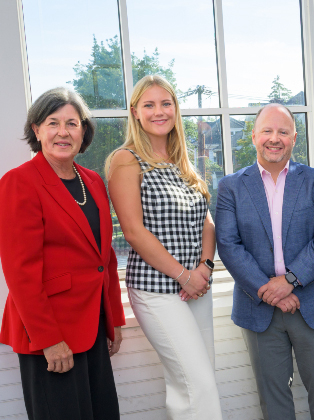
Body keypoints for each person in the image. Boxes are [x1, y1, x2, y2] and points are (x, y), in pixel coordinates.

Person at [0, 87, 126, 419]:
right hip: (50, 333)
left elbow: (106, 259)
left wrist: (112, 320)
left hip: (92, 326)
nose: (62, 132)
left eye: (72, 123)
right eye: (52, 122)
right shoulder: (19, 182)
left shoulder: (93, 181)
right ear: (36, 130)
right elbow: (20, 272)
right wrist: (49, 339)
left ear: (83, 131)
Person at [216, 104, 314, 419]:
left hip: (313, 304)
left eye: (283, 132)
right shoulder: (231, 187)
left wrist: (288, 282)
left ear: (294, 138)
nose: (275, 139)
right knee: (273, 400)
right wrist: (266, 289)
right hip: (259, 309)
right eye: (267, 131)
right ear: (254, 136)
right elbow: (228, 244)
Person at [106, 75, 222, 419]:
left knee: (190, 382)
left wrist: (205, 267)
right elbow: (133, 232)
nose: (159, 111)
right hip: (158, 290)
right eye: (149, 105)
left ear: (175, 109)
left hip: (196, 287)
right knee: (198, 385)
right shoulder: (126, 159)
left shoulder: (182, 162)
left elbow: (208, 223)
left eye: (166, 103)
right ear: (135, 112)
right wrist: (183, 275)